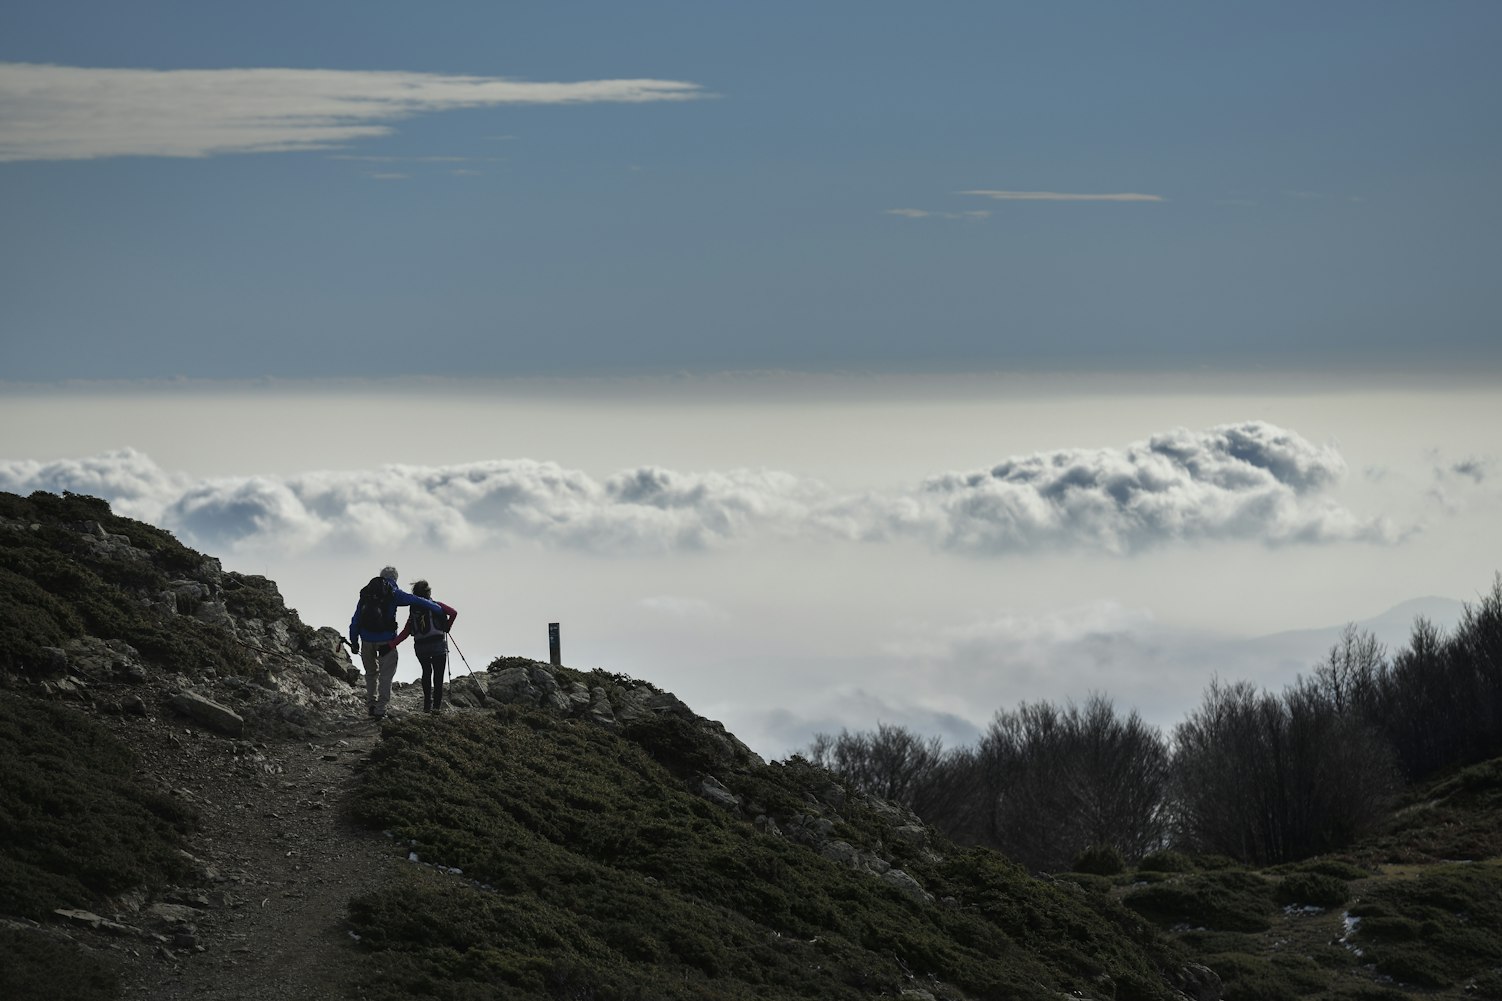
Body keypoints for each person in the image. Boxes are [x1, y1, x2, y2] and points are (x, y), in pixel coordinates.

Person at [349, 566, 443, 718]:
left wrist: (354, 641)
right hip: (386, 640)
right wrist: (437, 608)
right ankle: (381, 709)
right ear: (395, 579)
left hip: (366, 639)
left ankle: (371, 705)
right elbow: (418, 601)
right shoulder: (394, 593)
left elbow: (356, 620)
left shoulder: (367, 593)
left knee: (370, 673)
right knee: (386, 676)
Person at [392, 579, 458, 713]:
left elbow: (406, 632)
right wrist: (447, 627)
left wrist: (391, 644)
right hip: (438, 644)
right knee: (438, 676)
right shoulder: (437, 606)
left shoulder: (414, 612)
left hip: (421, 647)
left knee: (426, 673)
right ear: (428, 592)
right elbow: (453, 613)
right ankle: (436, 707)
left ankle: (427, 705)